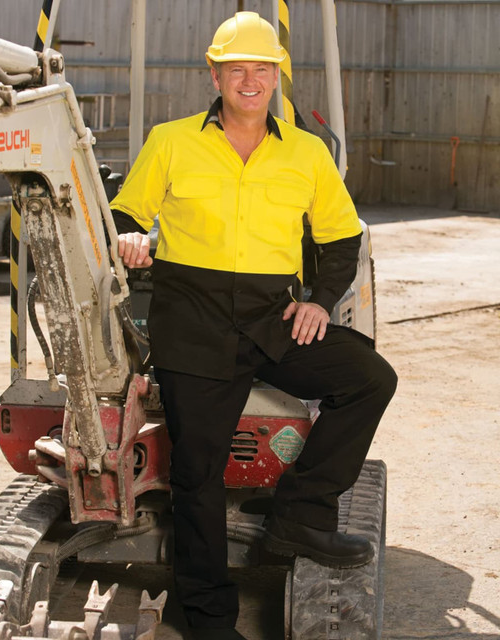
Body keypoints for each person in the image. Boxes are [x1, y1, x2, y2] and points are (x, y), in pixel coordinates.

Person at [110, 11, 397, 640]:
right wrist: (130, 236)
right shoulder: (171, 141)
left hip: (274, 318)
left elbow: (342, 237)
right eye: (236, 68)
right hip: (192, 322)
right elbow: (125, 213)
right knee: (198, 475)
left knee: (369, 378)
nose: (249, 80)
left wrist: (320, 299)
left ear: (278, 76)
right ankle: (208, 619)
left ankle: (301, 511)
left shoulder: (306, 151)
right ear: (214, 74)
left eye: (262, 69)